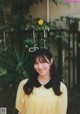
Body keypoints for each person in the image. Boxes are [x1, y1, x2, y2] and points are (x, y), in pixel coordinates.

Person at [15, 48, 68, 114]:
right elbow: (20, 112)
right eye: (36, 63)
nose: (40, 66)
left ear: (51, 61)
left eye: (43, 62)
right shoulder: (24, 85)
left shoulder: (61, 88)